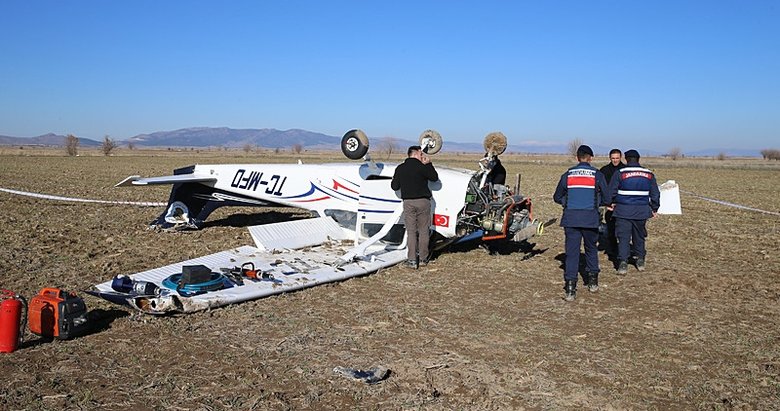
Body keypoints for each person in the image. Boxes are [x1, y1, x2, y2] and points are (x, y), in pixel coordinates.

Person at [553, 145, 610, 301]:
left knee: (572, 253)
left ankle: (570, 289)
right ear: (590, 158)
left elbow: (557, 197)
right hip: (591, 219)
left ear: (577, 158)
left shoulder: (568, 174)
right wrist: (595, 203)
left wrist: (568, 202)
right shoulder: (597, 175)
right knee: (591, 249)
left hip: (571, 219)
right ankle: (593, 283)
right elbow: (607, 198)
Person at [608, 149, 660, 275]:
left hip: (623, 211)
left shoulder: (620, 172)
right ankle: (640, 260)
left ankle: (623, 263)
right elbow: (655, 194)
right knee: (639, 236)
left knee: (623, 237)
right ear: (638, 159)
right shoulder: (649, 174)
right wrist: (654, 208)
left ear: (625, 159)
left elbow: (611, 192)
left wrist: (610, 203)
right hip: (641, 211)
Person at [391, 145, 439, 269]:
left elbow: (394, 186)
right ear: (415, 153)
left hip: (408, 203)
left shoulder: (400, 168)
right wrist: (429, 164)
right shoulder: (422, 167)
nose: (422, 155)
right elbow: (434, 178)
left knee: (411, 231)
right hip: (423, 202)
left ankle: (412, 260)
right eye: (421, 153)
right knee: (424, 231)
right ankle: (423, 258)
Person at [598, 149, 625, 257]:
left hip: (622, 203)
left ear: (621, 157)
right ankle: (613, 248)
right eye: (613, 158)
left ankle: (623, 249)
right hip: (609, 204)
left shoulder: (625, 170)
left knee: (623, 228)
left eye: (617, 158)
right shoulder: (604, 170)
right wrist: (606, 203)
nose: (615, 160)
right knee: (611, 227)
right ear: (610, 158)